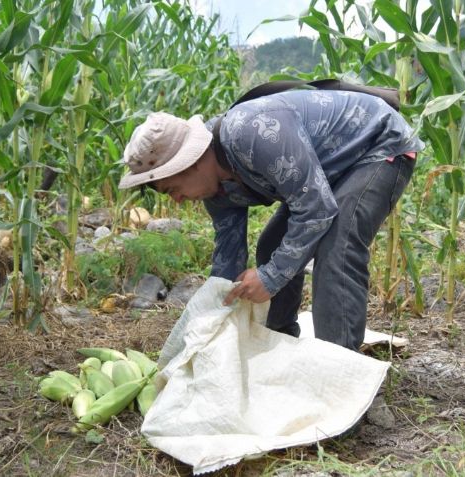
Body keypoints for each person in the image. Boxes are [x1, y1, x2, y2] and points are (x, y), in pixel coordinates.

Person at [118, 89, 422, 350]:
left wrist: (271, 278)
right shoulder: (217, 191)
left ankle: (337, 377)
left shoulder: (250, 133)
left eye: (173, 189)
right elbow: (228, 260)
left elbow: (317, 209)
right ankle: (279, 344)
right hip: (326, 171)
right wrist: (208, 322)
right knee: (271, 247)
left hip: (376, 145)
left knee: (337, 249)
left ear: (190, 162)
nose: (178, 200)